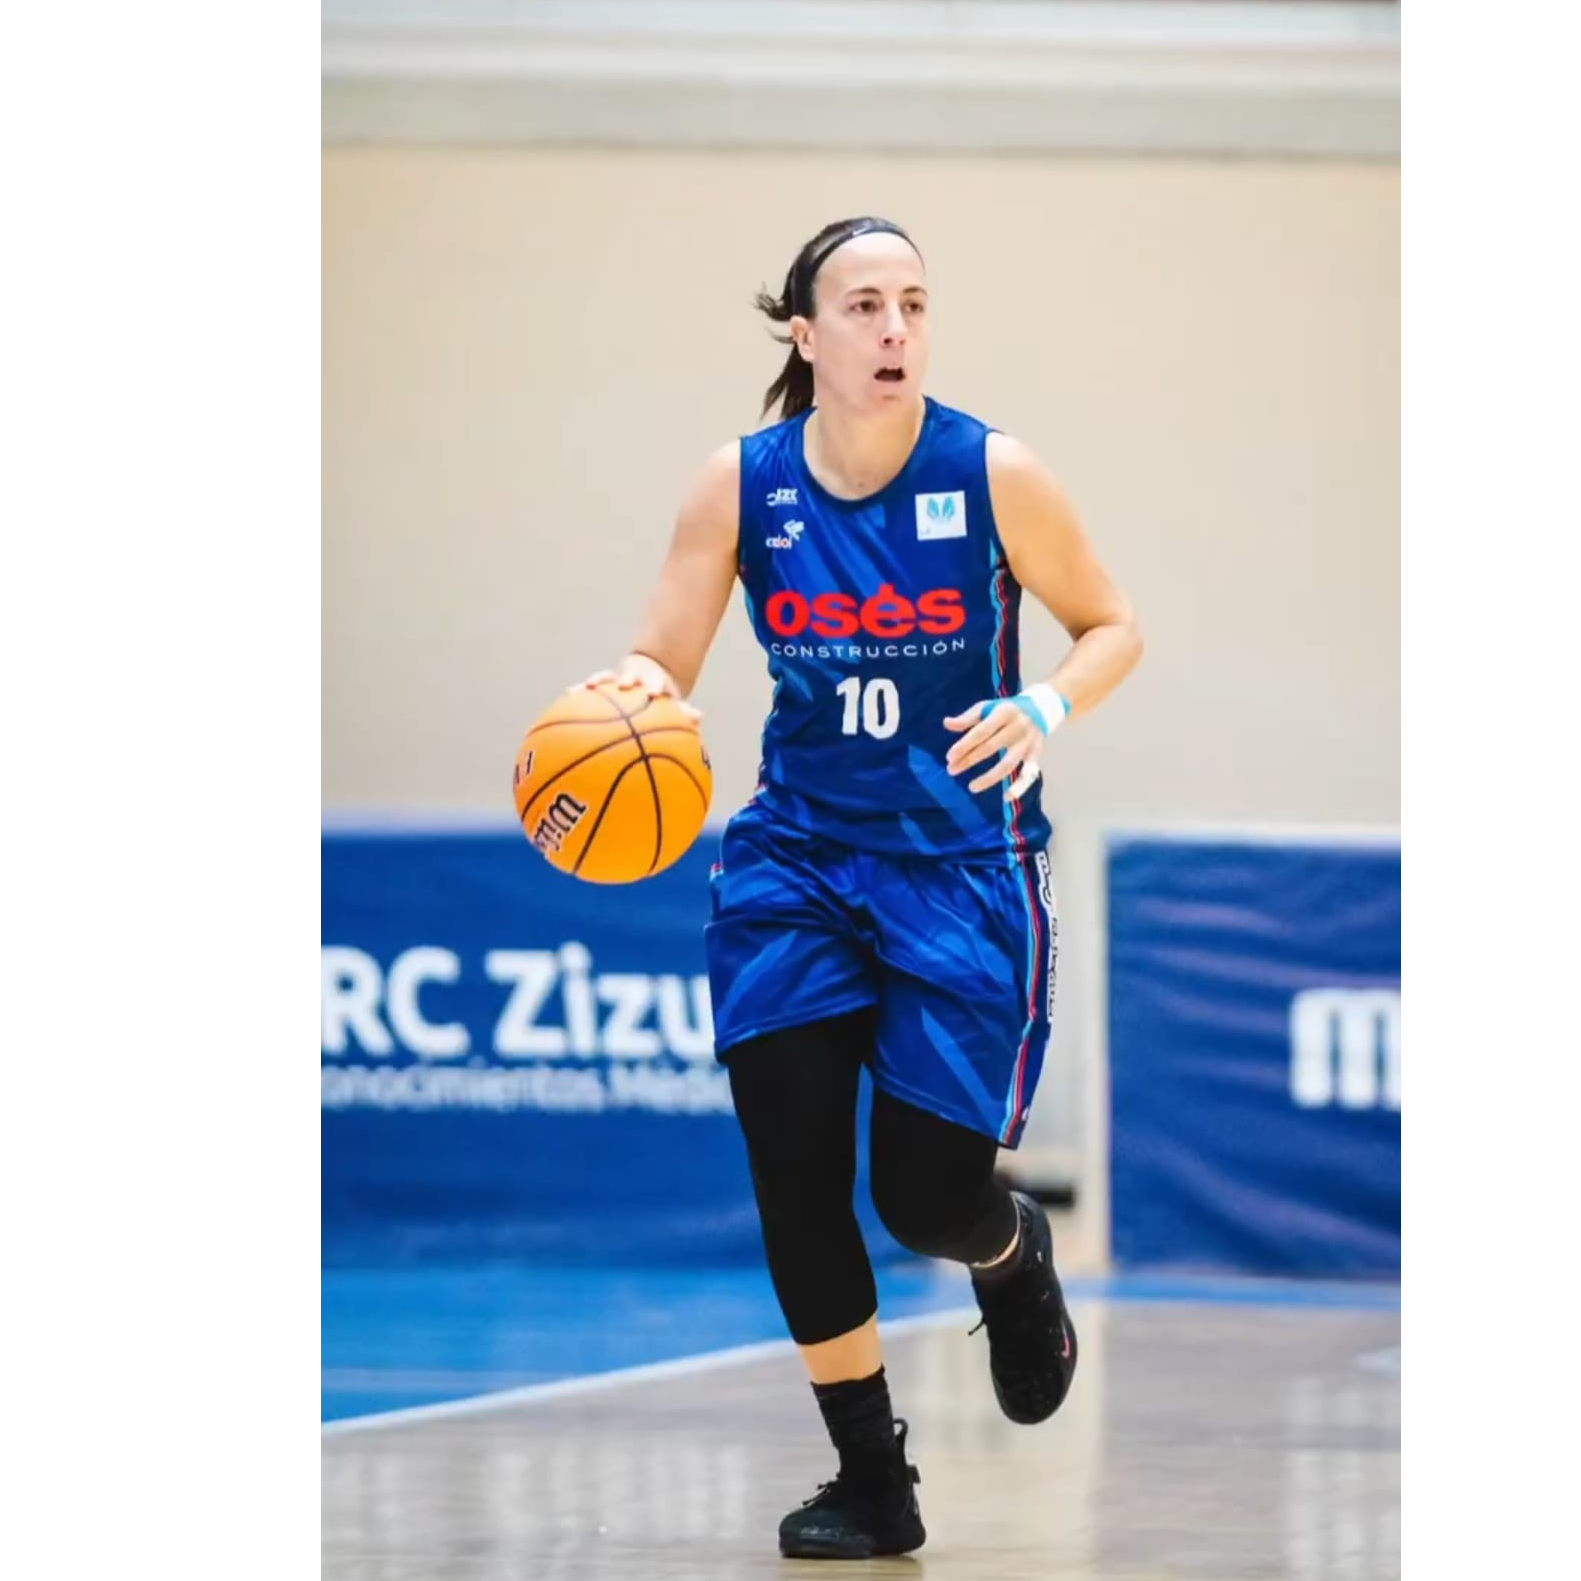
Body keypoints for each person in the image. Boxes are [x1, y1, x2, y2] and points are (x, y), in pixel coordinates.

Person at [579, 216, 1143, 1560]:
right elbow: (660, 656)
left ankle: (1008, 1259)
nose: (896, 330)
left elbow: (1114, 624)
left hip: (962, 866)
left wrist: (1048, 708)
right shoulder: (741, 484)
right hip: (797, 862)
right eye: (867, 307)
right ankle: (872, 1481)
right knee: (794, 1177)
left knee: (924, 1198)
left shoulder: (995, 472)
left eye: (915, 305)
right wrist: (619, 712)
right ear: (808, 333)